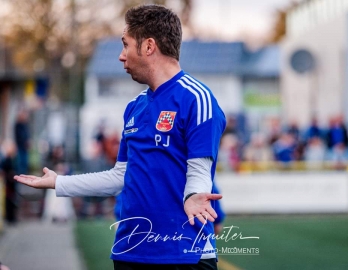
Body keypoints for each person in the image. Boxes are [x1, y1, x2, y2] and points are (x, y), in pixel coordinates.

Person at [14, 4, 226, 270]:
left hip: (183, 255)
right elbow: (119, 177)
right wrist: (60, 183)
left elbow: (200, 170)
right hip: (130, 253)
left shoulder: (196, 98)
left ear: (149, 47)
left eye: (125, 45)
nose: (121, 56)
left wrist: (194, 195)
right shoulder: (134, 107)